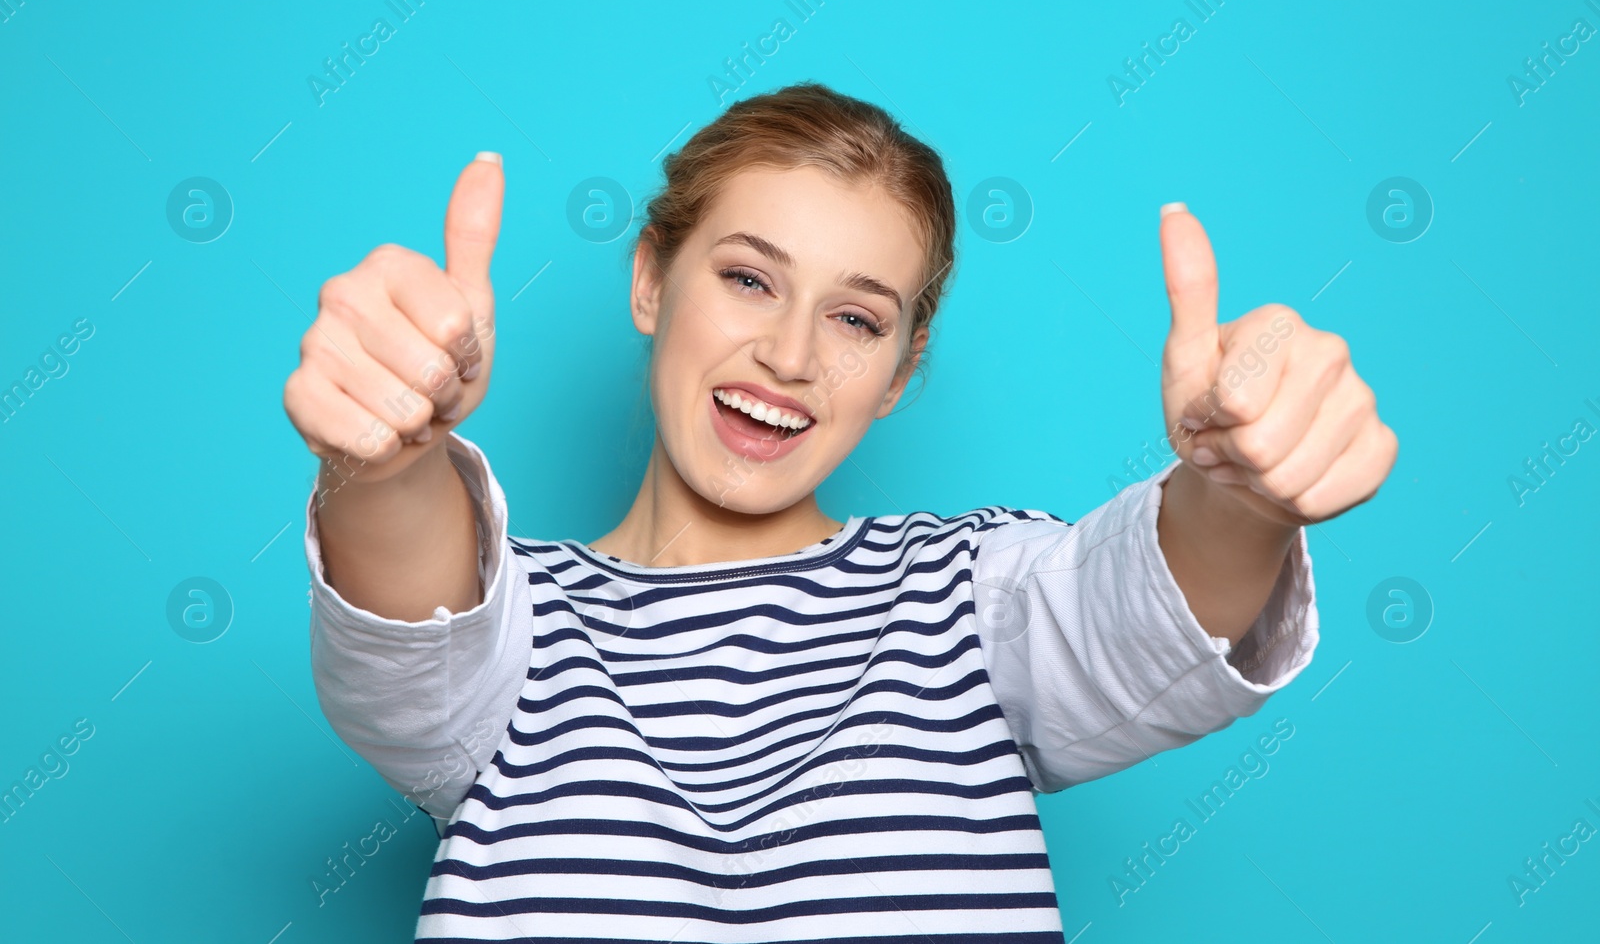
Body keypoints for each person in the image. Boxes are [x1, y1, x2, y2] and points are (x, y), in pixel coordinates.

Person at [285, 82, 1396, 941]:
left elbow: (1152, 603)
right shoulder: (510, 626)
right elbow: (413, 633)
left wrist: (1238, 488)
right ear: (648, 281)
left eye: (858, 319)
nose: (790, 353)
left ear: (901, 371)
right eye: (748, 278)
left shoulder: (968, 592)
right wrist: (386, 457)